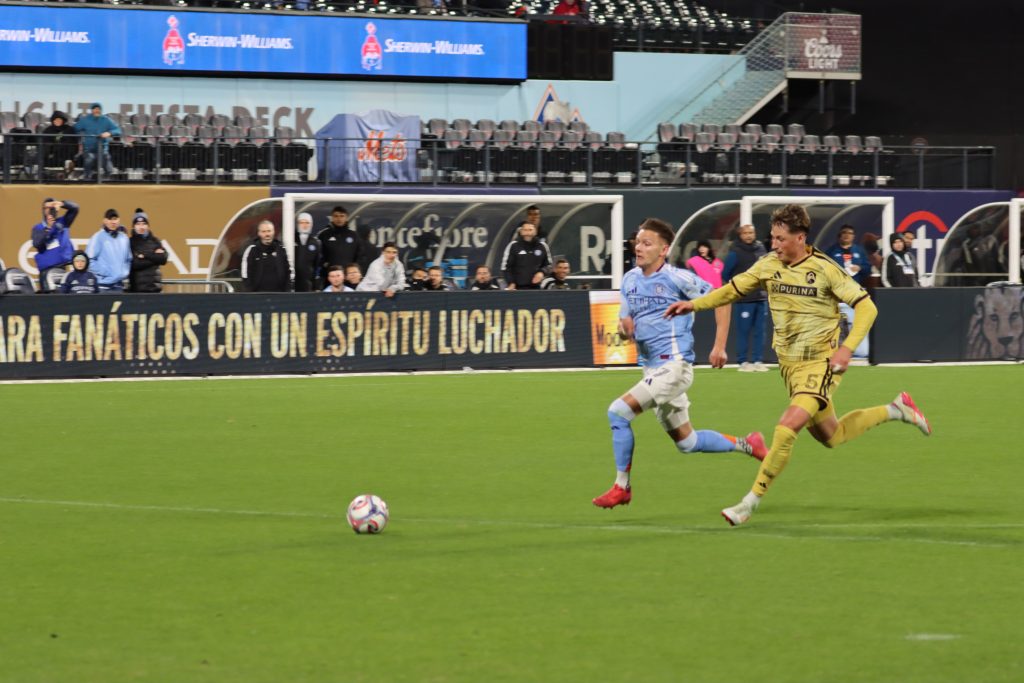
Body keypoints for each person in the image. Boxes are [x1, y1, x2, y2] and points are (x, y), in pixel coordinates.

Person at [664, 204, 932, 526]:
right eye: (772, 237)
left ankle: (748, 503)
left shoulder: (825, 268)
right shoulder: (768, 265)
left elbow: (867, 307)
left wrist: (846, 349)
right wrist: (693, 305)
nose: (774, 244)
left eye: (780, 238)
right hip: (790, 367)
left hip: (821, 363)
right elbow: (731, 291)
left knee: (786, 427)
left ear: (800, 238)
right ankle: (896, 409)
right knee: (832, 435)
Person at [592, 218, 768, 509]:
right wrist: (625, 328)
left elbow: (723, 299)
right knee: (687, 442)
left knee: (618, 413)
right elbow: (625, 324)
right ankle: (749, 444)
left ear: (663, 250)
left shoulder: (678, 279)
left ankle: (622, 487)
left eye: (647, 243)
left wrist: (719, 346)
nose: (639, 247)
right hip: (652, 370)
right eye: (638, 242)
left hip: (674, 368)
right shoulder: (629, 279)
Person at [722, 224, 769, 372]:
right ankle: (743, 361)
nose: (748, 235)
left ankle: (758, 360)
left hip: (761, 297)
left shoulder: (761, 249)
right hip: (744, 299)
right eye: (745, 233)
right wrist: (738, 287)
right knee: (744, 331)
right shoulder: (735, 252)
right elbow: (725, 273)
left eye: (751, 232)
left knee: (760, 331)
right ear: (740, 235)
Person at [826, 225, 871, 359]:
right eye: (844, 233)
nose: (847, 235)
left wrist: (860, 267)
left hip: (854, 294)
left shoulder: (859, 251)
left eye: (850, 233)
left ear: (853, 236)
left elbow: (868, 268)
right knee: (834, 325)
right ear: (839, 235)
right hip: (836, 295)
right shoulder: (832, 251)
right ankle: (833, 350)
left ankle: (857, 350)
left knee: (855, 323)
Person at [31, 197, 79, 290]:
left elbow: (75, 208)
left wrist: (62, 203)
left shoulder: (63, 222)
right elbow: (37, 243)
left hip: (61, 268)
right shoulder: (38, 227)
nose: (49, 210)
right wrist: (49, 229)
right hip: (46, 270)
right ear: (43, 210)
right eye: (46, 208)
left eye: (51, 208)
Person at [85, 208, 132, 293]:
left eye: (115, 219)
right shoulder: (97, 237)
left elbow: (128, 259)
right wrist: (105, 272)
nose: (113, 222)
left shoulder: (124, 238)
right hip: (102, 285)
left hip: (118, 285)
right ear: (105, 221)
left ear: (119, 220)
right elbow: (88, 260)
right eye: (110, 219)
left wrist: (124, 273)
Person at [73, 103, 121, 180]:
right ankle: (87, 178)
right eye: (95, 109)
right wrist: (80, 135)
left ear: (101, 110)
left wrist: (109, 133)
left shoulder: (106, 120)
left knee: (107, 163)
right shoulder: (85, 120)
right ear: (92, 110)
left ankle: (107, 179)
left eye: (98, 109)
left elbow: (118, 130)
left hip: (102, 148)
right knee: (89, 159)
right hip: (89, 149)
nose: (96, 111)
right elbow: (75, 128)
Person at [241, 220, 292, 292]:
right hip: (257, 294)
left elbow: (289, 271)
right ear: (259, 233)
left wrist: (287, 291)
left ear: (273, 232)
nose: (267, 234)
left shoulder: (282, 249)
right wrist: (250, 293)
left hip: (280, 294)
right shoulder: (251, 250)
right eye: (264, 231)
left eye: (269, 231)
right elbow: (245, 273)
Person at [501, 222, 552, 290]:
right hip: (517, 288)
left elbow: (549, 265)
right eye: (525, 230)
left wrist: (542, 272)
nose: (527, 232)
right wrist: (511, 282)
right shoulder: (513, 246)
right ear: (521, 232)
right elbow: (505, 267)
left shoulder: (542, 246)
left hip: (537, 287)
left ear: (535, 232)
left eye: (530, 230)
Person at [128, 209, 168, 293]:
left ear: (148, 226)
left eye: (144, 224)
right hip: (137, 290)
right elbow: (135, 264)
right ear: (133, 226)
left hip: (155, 289)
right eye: (138, 224)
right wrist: (155, 257)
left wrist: (145, 255)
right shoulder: (130, 242)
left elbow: (163, 258)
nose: (141, 227)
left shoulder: (155, 240)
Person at [317, 206, 365, 274]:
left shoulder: (354, 235)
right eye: (336, 216)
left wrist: (353, 270)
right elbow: (319, 255)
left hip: (348, 275)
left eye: (342, 216)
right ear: (332, 218)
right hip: (330, 275)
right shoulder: (324, 235)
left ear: (346, 217)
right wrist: (325, 266)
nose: (339, 219)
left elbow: (360, 256)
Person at [40, 111, 77, 178]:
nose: (58, 121)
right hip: (53, 156)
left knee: (69, 148)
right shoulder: (48, 130)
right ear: (53, 121)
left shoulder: (69, 129)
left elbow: (74, 142)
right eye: (56, 120)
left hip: (67, 155)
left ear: (63, 121)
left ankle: (69, 171)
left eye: (59, 120)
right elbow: (45, 143)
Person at [293, 212, 322, 292]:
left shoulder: (315, 243)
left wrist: (316, 285)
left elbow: (317, 266)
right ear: (298, 224)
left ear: (311, 224)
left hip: (308, 283)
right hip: (293, 282)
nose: (304, 225)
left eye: (307, 223)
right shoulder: (291, 239)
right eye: (302, 222)